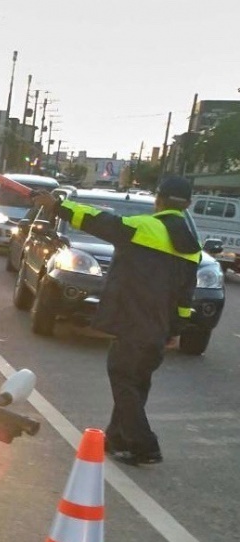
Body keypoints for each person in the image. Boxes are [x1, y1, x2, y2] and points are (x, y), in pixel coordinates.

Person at [35, 176, 201, 466]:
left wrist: (58, 206)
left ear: (159, 200)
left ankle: (145, 446)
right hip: (158, 328)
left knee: (123, 378)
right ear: (187, 204)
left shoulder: (144, 227)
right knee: (137, 383)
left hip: (132, 322)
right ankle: (118, 438)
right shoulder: (191, 246)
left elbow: (97, 219)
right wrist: (176, 330)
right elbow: (185, 299)